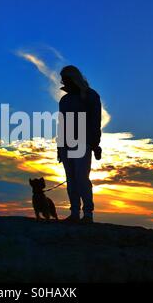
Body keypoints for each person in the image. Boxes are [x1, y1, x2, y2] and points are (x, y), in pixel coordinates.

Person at [57, 65, 102, 224]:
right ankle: (74, 212)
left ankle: (88, 214)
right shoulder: (65, 100)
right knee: (71, 179)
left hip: (83, 143)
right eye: (63, 79)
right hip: (66, 144)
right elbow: (62, 124)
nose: (63, 81)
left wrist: (95, 145)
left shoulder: (91, 96)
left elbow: (95, 122)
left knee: (82, 178)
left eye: (65, 78)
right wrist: (59, 147)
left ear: (73, 78)